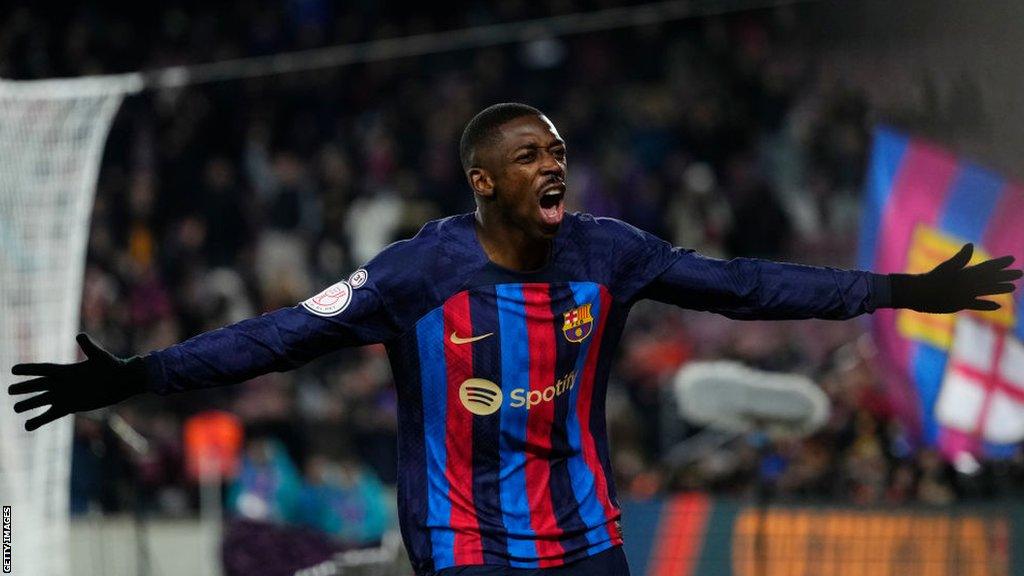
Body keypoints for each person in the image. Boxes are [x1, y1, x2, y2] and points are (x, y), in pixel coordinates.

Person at [8, 103, 1021, 576]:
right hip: (462, 542)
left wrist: (898, 288)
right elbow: (278, 337)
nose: (555, 163)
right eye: (530, 153)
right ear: (482, 179)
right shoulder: (415, 273)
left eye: (561, 151)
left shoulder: (608, 252)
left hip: (583, 533)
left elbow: (749, 286)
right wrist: (137, 376)